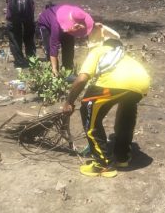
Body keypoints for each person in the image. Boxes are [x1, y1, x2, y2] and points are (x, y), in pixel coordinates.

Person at [62, 35, 150, 178]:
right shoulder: (123, 55)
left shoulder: (99, 50)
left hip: (117, 83)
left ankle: (103, 165)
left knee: (88, 109)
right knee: (126, 112)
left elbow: (82, 78)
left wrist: (69, 102)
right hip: (142, 84)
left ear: (106, 45)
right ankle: (122, 157)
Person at [37, 4, 94, 76]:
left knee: (69, 47)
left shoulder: (78, 15)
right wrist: (54, 68)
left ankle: (68, 71)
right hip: (46, 24)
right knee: (49, 50)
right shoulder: (56, 26)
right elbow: (53, 46)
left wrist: (97, 27)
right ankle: (54, 73)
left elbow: (89, 26)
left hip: (65, 21)